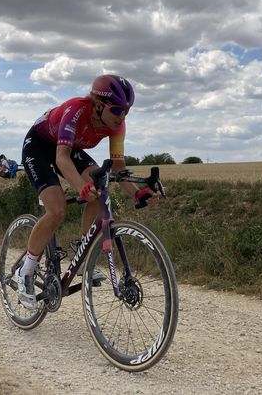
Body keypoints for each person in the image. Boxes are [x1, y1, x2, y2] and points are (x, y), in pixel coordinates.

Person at [14, 74, 157, 309]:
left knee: (100, 185)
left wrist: (137, 193)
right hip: (40, 147)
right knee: (57, 210)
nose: (122, 117)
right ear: (98, 105)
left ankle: (81, 255)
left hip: (71, 149)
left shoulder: (117, 125)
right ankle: (25, 270)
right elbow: (61, 158)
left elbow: (118, 168)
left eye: (127, 111)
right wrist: (81, 187)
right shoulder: (75, 110)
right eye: (117, 110)